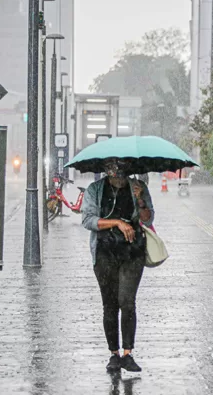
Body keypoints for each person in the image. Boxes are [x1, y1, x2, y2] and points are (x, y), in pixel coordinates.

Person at [82, 158, 155, 373]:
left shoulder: (138, 188)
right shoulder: (95, 190)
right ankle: (113, 353)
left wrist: (140, 199)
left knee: (127, 301)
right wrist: (116, 222)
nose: (118, 174)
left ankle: (128, 353)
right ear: (106, 170)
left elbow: (148, 219)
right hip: (104, 253)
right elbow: (88, 220)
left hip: (132, 253)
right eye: (113, 169)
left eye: (122, 169)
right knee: (110, 303)